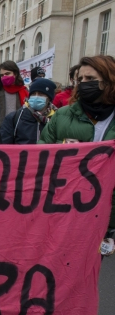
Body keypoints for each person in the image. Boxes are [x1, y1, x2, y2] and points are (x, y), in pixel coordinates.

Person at [39, 55, 115, 237]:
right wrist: (61, 147)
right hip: (65, 206)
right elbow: (40, 151)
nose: (83, 83)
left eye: (90, 79)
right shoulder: (63, 115)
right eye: (80, 79)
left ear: (108, 81)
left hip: (107, 212)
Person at [1, 78, 56, 144]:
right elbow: (5, 146)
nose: (36, 97)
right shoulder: (14, 117)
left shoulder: (57, 118)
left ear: (49, 98)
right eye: (33, 94)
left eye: (41, 94)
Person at [0, 61, 29, 128]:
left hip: (19, 129)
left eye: (7, 73)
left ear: (15, 74)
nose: (4, 77)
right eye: (2, 75)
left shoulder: (24, 91)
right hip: (1, 130)